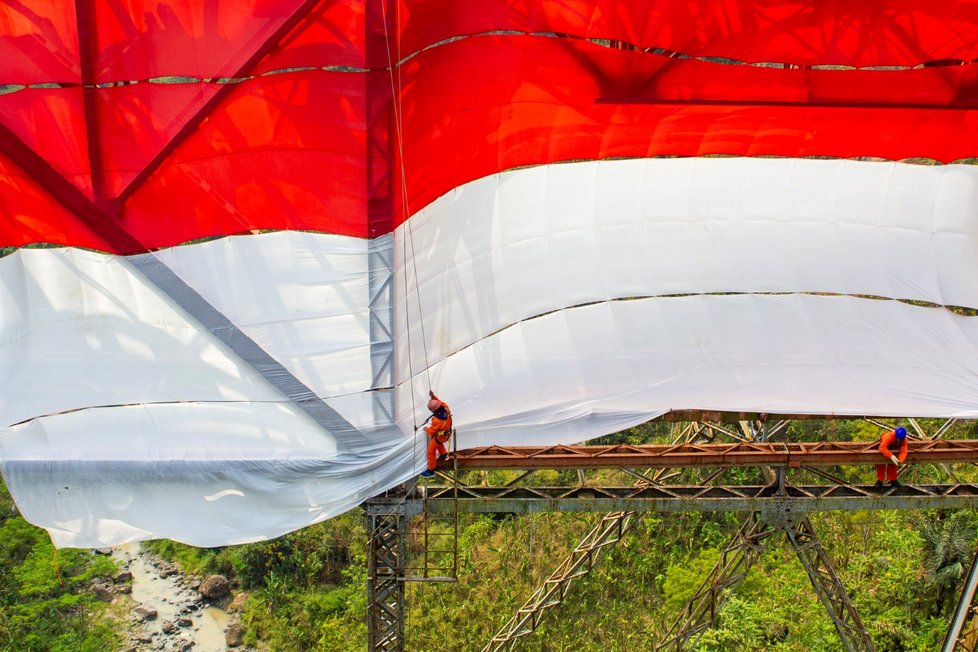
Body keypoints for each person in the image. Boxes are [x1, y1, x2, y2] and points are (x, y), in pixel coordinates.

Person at [420, 390, 452, 478]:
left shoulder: (437, 420)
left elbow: (432, 431)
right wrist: (432, 396)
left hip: (441, 437)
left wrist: (426, 428)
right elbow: (439, 402)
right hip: (447, 434)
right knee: (438, 442)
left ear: (433, 411)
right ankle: (444, 454)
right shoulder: (446, 408)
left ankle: (431, 470)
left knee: (431, 451)